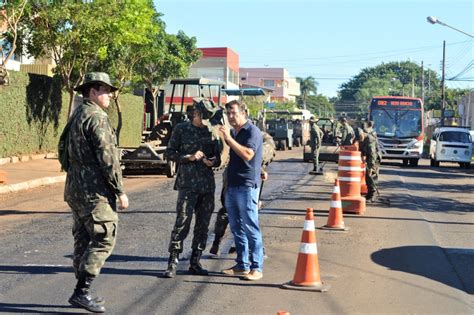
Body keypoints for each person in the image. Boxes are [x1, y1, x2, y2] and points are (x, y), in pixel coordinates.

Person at [58, 72, 129, 313]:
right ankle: (82, 291)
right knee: (105, 234)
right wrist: (119, 190)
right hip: (93, 189)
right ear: (92, 92)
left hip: (75, 186)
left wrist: (74, 172)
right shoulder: (97, 117)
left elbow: (62, 148)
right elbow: (107, 158)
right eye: (105, 90)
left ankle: (81, 288)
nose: (110, 95)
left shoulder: (77, 114)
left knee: (83, 236)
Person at [163, 98, 221, 278]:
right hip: (187, 185)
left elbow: (219, 157)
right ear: (195, 113)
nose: (206, 120)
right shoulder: (181, 129)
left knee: (203, 226)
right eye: (204, 116)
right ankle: (173, 261)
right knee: (182, 223)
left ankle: (195, 261)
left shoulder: (213, 132)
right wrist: (189, 157)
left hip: (207, 186)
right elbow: (169, 153)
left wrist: (212, 162)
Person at [219, 100, 264, 281]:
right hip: (232, 185)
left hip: (246, 186)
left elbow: (248, 154)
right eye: (228, 114)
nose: (231, 117)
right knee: (237, 228)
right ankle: (242, 265)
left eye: (234, 113)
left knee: (251, 227)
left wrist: (228, 139)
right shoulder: (235, 132)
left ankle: (257, 267)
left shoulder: (252, 131)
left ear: (244, 113)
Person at [361, 121, 381, 202]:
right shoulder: (365, 137)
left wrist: (372, 167)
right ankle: (369, 194)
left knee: (372, 176)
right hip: (370, 157)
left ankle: (373, 195)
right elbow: (364, 148)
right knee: (367, 177)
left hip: (374, 159)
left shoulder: (369, 139)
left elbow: (373, 154)